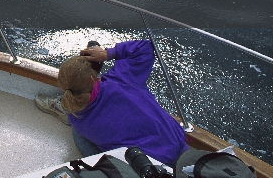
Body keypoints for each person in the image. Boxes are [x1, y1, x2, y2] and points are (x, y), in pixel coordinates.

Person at [35, 40, 188, 166]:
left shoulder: (79, 120)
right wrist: (107, 53)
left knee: (78, 134)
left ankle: (63, 108)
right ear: (92, 79)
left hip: (147, 166)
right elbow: (146, 47)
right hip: (178, 146)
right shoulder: (122, 79)